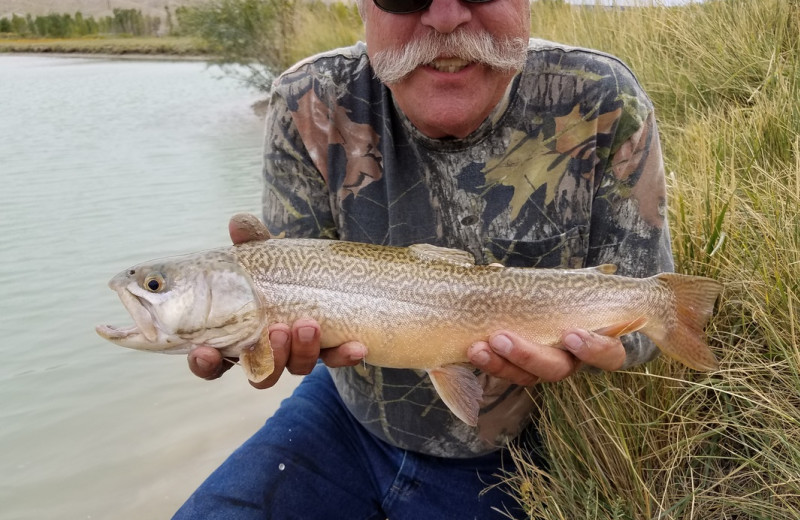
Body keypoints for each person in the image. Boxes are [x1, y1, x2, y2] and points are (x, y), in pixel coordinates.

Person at [176, 0, 673, 518]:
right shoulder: (309, 99)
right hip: (348, 414)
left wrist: (612, 350)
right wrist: (251, 342)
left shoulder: (602, 96)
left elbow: (648, 312)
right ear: (362, 7)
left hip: (524, 445)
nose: (445, 16)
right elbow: (290, 313)